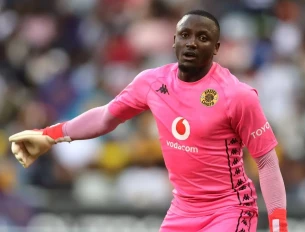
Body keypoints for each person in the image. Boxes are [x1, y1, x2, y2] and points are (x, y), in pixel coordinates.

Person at [9, 10, 288, 232]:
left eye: (202, 38)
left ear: (216, 48)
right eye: (185, 35)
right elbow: (106, 117)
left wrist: (279, 225)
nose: (191, 42)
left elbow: (266, 161)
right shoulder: (152, 83)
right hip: (183, 210)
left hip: (229, 210)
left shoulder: (237, 96)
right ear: (174, 41)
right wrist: (50, 134)